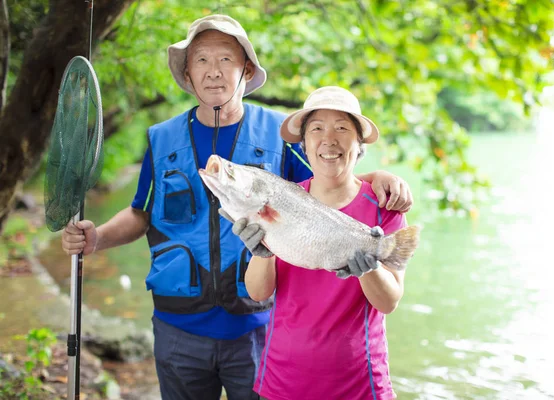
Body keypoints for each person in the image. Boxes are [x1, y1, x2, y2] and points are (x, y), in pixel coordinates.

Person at [61, 15, 413, 400]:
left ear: (246, 70)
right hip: (178, 327)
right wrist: (96, 239)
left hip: (256, 328)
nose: (214, 72)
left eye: (225, 60)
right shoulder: (161, 139)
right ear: (188, 74)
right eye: (201, 61)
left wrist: (379, 177)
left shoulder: (283, 134)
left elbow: (328, 178)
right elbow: (140, 212)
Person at [232, 86, 409, 400]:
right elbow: (258, 293)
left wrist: (369, 271)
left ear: (359, 144)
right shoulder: (281, 199)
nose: (329, 139)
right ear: (304, 144)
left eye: (342, 127)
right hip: (283, 380)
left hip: (360, 383)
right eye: (317, 129)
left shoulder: (385, 208)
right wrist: (263, 252)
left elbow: (389, 302)